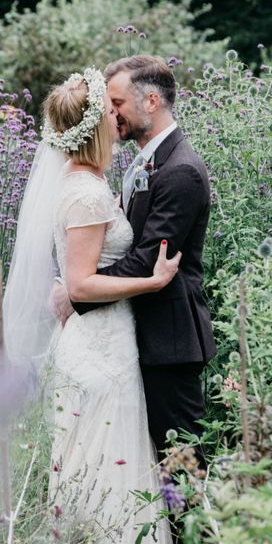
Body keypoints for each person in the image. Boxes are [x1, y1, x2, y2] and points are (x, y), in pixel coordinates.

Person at [0, 66, 176, 544]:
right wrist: (151, 280)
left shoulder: (83, 185)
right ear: (93, 127)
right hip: (100, 349)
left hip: (102, 342)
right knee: (106, 468)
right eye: (109, 113)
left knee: (100, 467)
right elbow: (79, 283)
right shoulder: (86, 194)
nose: (117, 120)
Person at [67, 55, 217, 466]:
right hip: (141, 333)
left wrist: (79, 290)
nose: (109, 113)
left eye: (116, 102)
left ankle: (206, 533)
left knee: (183, 463)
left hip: (170, 339)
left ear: (151, 101)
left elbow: (151, 261)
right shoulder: (147, 160)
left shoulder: (181, 170)